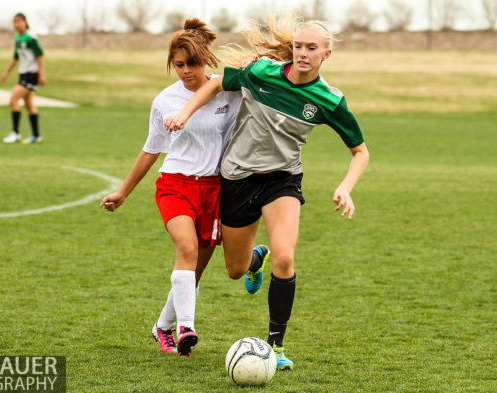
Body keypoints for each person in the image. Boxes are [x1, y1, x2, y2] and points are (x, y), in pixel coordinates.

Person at [165, 17, 370, 370]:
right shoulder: (260, 72)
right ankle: (255, 260)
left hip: (283, 181)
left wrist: (345, 187)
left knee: (286, 258)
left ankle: (276, 346)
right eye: (298, 46)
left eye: (311, 48)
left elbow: (360, 151)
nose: (303, 53)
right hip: (238, 178)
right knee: (234, 269)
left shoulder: (330, 100)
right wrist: (184, 112)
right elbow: (214, 85)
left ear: (327, 54)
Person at [100, 19, 242, 357]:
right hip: (175, 186)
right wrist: (122, 192)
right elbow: (151, 149)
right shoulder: (165, 101)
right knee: (186, 249)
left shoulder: (229, 93)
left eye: (192, 63)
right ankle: (186, 328)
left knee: (193, 271)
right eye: (179, 65)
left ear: (207, 58)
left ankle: (163, 327)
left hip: (214, 190)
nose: (186, 71)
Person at [1, 13, 45, 144]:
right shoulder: (17, 38)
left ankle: (15, 133)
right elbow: (15, 57)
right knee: (29, 105)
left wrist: (41, 74)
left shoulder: (31, 38)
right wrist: (6, 72)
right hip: (23, 73)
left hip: (31, 74)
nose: (16, 24)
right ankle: (36, 136)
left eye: (19, 21)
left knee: (13, 100)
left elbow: (40, 56)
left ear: (25, 22)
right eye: (14, 22)